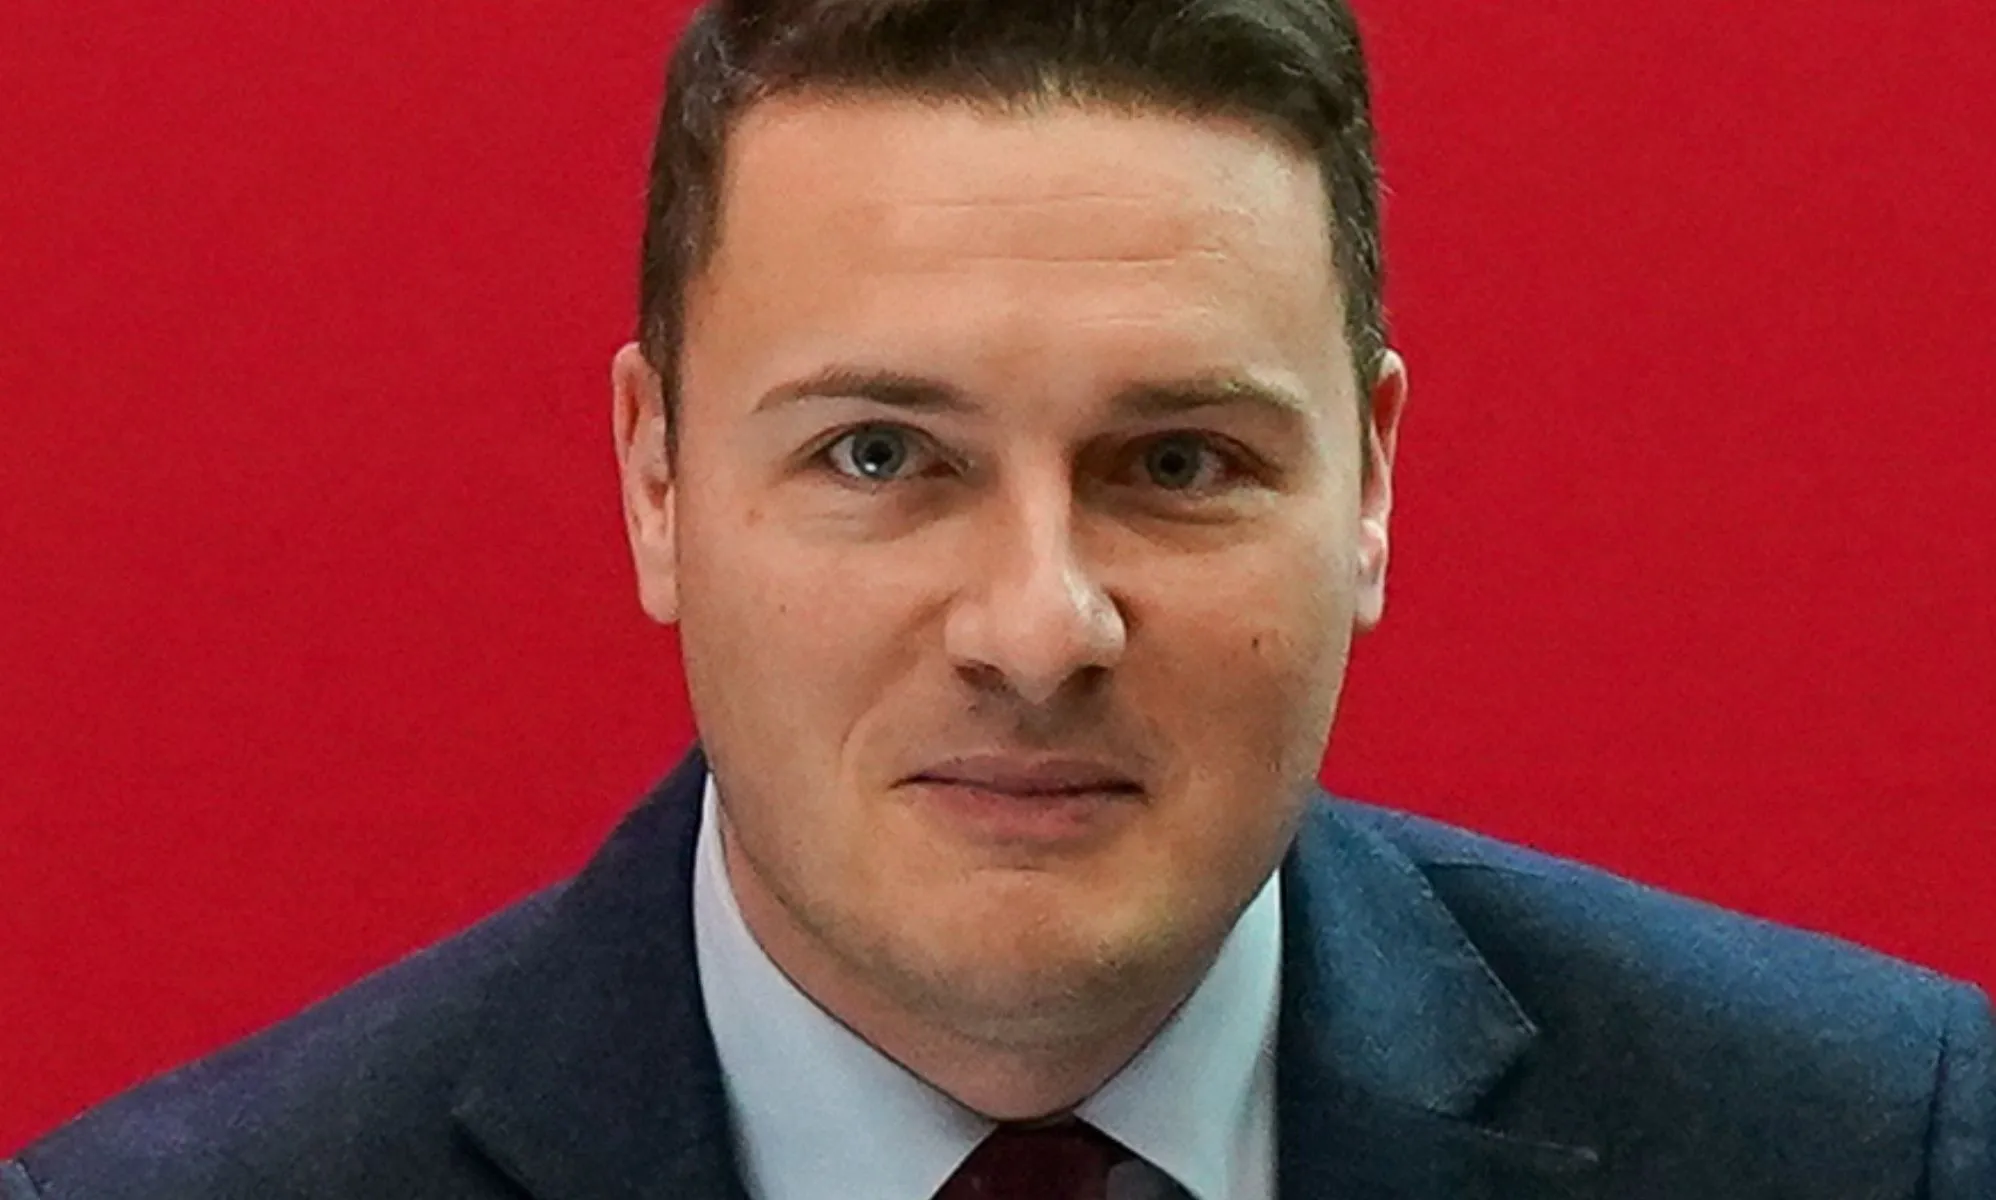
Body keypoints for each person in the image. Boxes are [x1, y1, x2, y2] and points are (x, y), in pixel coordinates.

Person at [6, 0, 1991, 1196]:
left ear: (1370, 484)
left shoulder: (1876, 1149)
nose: (1036, 628)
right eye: (880, 455)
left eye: (1176, 463)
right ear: (656, 482)